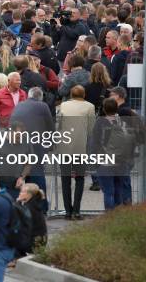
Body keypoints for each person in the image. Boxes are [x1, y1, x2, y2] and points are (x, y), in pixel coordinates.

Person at [57, 85, 95, 220]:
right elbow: (91, 129)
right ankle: (77, 210)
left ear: (71, 95)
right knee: (80, 178)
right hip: (80, 147)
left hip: (64, 146)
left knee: (65, 179)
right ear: (84, 94)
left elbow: (58, 125)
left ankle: (67, 211)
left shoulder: (63, 105)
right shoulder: (89, 107)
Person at [17, 183, 47, 255]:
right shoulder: (35, 203)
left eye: (22, 192)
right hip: (40, 242)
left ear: (29, 195)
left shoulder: (29, 208)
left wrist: (17, 203)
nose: (20, 193)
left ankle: (18, 257)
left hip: (34, 243)